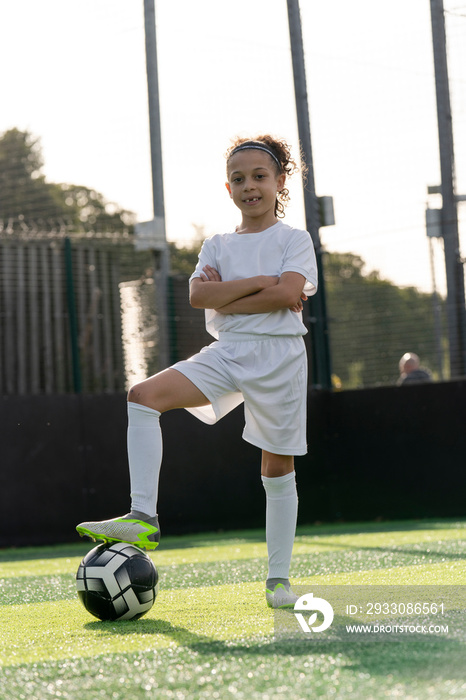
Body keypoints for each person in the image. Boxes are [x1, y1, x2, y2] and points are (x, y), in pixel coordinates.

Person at [76, 135, 318, 609]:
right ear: (228, 189)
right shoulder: (217, 244)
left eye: (259, 176)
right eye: (238, 179)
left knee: (276, 467)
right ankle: (144, 515)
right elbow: (198, 297)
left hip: (281, 358)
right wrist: (257, 284)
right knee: (143, 396)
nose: (249, 186)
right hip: (227, 351)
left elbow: (286, 295)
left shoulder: (295, 239)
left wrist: (230, 292)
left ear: (280, 182)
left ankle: (278, 581)